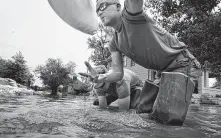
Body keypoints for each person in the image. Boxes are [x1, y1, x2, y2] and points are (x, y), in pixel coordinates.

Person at [92, 0, 202, 124]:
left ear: (118, 6)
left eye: (102, 7)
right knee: (142, 113)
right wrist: (103, 77)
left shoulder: (130, 15)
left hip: (182, 63)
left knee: (166, 119)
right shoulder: (114, 43)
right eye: (97, 11)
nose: (99, 13)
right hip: (162, 73)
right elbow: (118, 74)